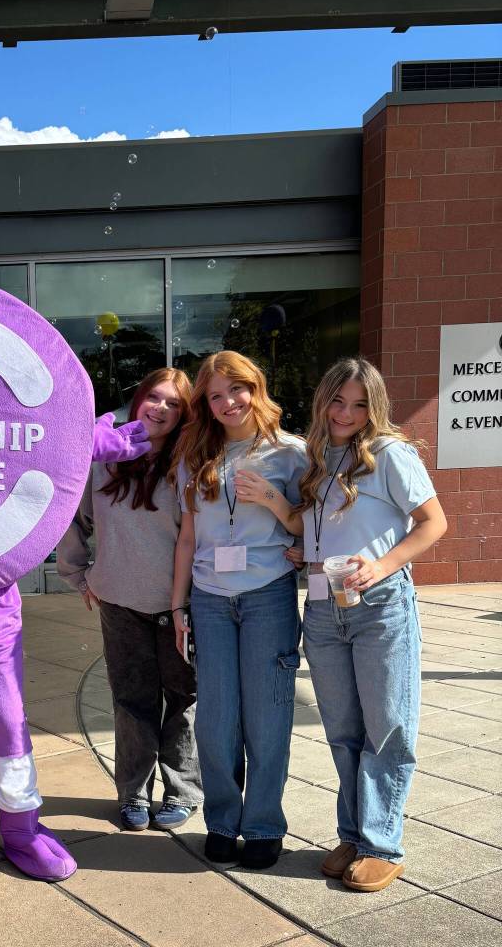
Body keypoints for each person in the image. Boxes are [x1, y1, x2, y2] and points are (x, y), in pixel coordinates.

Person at [235, 357, 446, 892]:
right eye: (337, 400)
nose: (346, 413)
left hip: (379, 605)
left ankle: (381, 843)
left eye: (358, 404)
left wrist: (381, 565)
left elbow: (433, 523)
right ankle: (353, 834)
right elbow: (318, 530)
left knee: (387, 727)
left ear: (372, 407)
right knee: (344, 730)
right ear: (322, 400)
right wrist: (297, 544)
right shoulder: (315, 458)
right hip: (325, 606)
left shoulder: (391, 455)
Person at [170, 350, 307, 870]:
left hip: (267, 594)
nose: (229, 402)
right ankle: (223, 821)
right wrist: (177, 605)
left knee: (268, 717)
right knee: (215, 719)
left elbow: (304, 528)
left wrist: (273, 499)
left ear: (257, 387)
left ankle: (265, 824)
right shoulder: (194, 455)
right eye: (216, 395)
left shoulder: (291, 453)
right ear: (205, 403)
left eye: (237, 389)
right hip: (208, 597)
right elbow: (187, 538)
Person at [57, 369, 203, 832]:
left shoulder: (190, 463)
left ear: (184, 415)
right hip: (119, 601)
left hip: (180, 606)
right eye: (153, 398)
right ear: (137, 400)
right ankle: (133, 794)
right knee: (131, 701)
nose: (160, 409)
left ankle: (183, 791)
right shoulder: (103, 458)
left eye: (173, 404)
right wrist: (78, 577)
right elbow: (72, 519)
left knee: (185, 699)